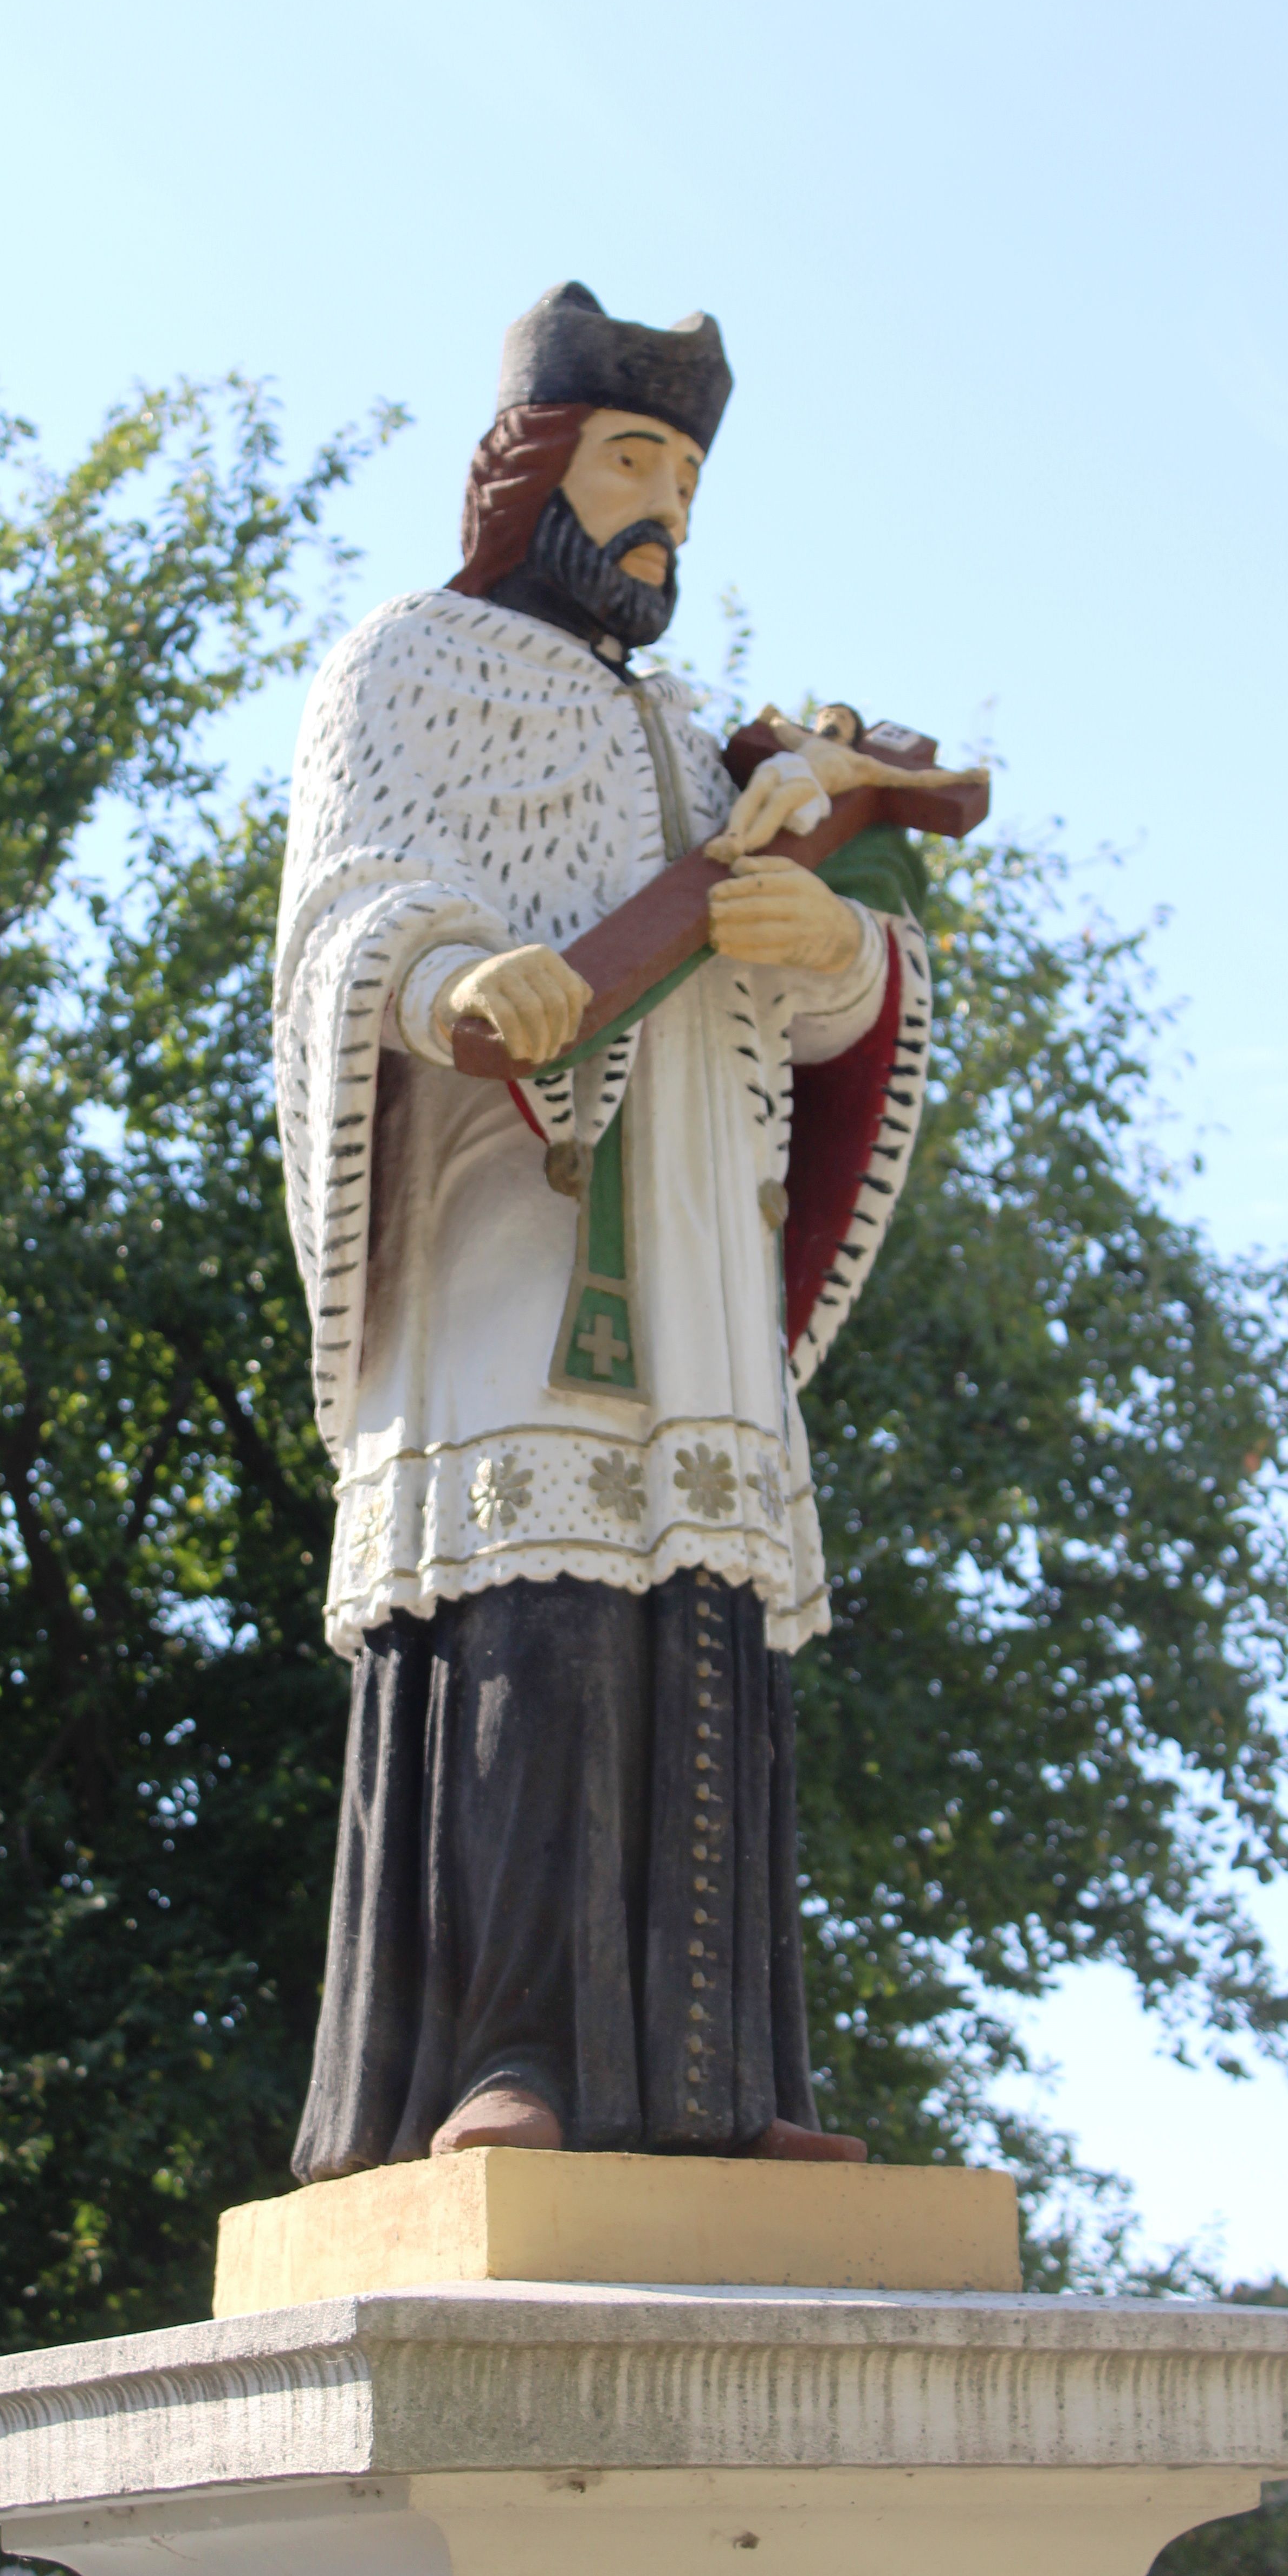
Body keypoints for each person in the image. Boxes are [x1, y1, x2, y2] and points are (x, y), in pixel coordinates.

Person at [274, 283, 933, 2179]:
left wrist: (838, 948)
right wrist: (450, 980)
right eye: (634, 464)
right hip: (511, 1226)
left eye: (686, 482)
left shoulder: (706, 744)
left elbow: (815, 1006)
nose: (665, 513)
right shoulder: (403, 667)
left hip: (697, 1235)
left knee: (707, 1628)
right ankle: (507, 2060)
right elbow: (346, 909)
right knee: (536, 1622)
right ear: (531, 466)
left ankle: (723, 2089)